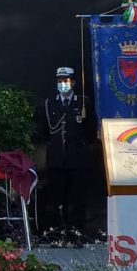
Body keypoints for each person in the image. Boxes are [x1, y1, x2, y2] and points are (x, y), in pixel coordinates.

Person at [42, 67, 93, 239]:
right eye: (59, 81)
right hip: (57, 159)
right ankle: (59, 232)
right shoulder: (50, 103)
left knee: (78, 198)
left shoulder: (82, 102)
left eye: (66, 80)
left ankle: (77, 232)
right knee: (58, 198)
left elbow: (90, 130)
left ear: (73, 82)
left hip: (78, 158)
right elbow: (46, 131)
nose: (63, 84)